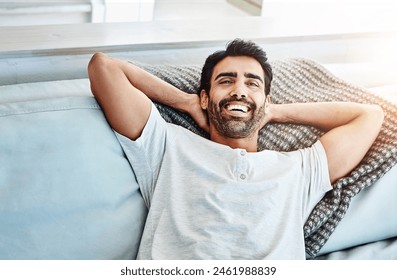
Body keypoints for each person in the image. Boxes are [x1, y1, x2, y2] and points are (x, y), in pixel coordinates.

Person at [87, 39, 384, 259]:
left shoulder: (299, 169)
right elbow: (104, 67)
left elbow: (369, 116)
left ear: (267, 100)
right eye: (226, 81)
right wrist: (185, 101)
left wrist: (275, 112)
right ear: (205, 97)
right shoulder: (168, 145)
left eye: (252, 83)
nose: (239, 90)